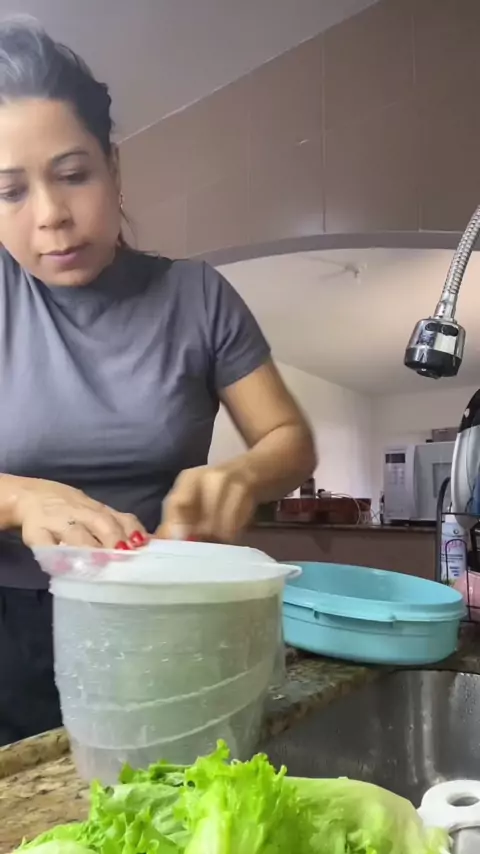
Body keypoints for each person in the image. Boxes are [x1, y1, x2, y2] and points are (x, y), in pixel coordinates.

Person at [0, 19, 316, 746]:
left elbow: (288, 438)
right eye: (10, 192)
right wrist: (19, 498)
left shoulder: (195, 297)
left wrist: (243, 475)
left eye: (73, 175)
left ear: (113, 168)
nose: (51, 216)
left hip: (160, 617)